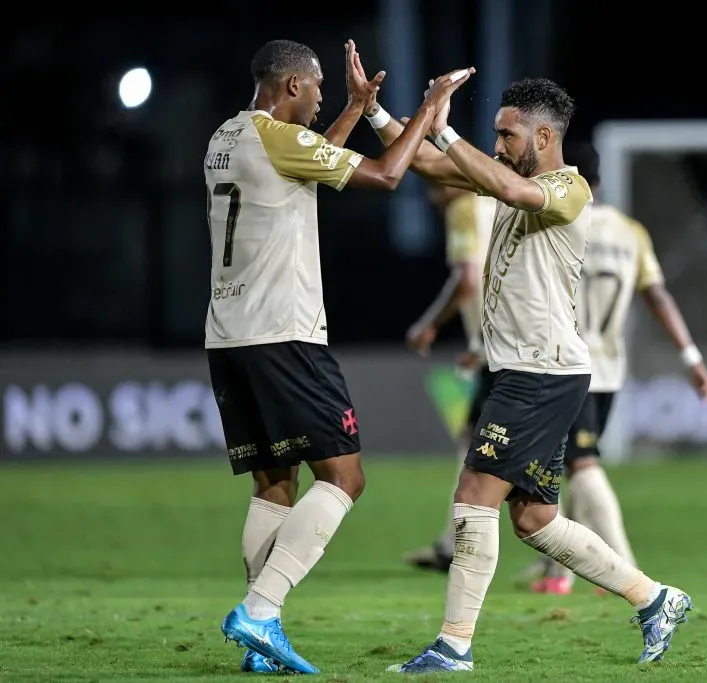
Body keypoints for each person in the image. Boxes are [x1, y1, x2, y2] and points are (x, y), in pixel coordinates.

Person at [355, 69, 694, 672]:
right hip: (525, 369)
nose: (499, 145)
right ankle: (654, 599)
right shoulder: (508, 175)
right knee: (535, 520)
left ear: (543, 135)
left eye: (507, 135)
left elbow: (507, 191)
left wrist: (446, 126)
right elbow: (432, 169)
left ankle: (453, 645)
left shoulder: (570, 187)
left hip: (543, 371)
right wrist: (379, 113)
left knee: (473, 492)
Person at [206, 38, 474, 674]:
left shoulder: (226, 135)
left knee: (275, 485)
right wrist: (430, 106)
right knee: (345, 477)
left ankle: (259, 641)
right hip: (286, 335)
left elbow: (306, 158)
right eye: (321, 88)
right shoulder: (280, 140)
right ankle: (260, 612)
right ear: (293, 86)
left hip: (229, 338)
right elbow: (385, 175)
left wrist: (356, 109)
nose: (325, 96)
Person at [527, 141, 707, 595]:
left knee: (582, 463)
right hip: (610, 369)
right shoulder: (631, 231)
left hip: (566, 364)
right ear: (603, 178)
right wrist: (691, 356)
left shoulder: (557, 217)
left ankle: (627, 570)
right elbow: (656, 294)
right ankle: (561, 572)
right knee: (572, 461)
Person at [402, 184, 498, 572]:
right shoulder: (499, 202)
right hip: (516, 343)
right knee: (480, 443)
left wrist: (429, 324)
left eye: (429, 177)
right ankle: (452, 544)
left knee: (482, 448)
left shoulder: (465, 208)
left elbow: (470, 279)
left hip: (503, 350)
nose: (429, 192)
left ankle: (460, 547)